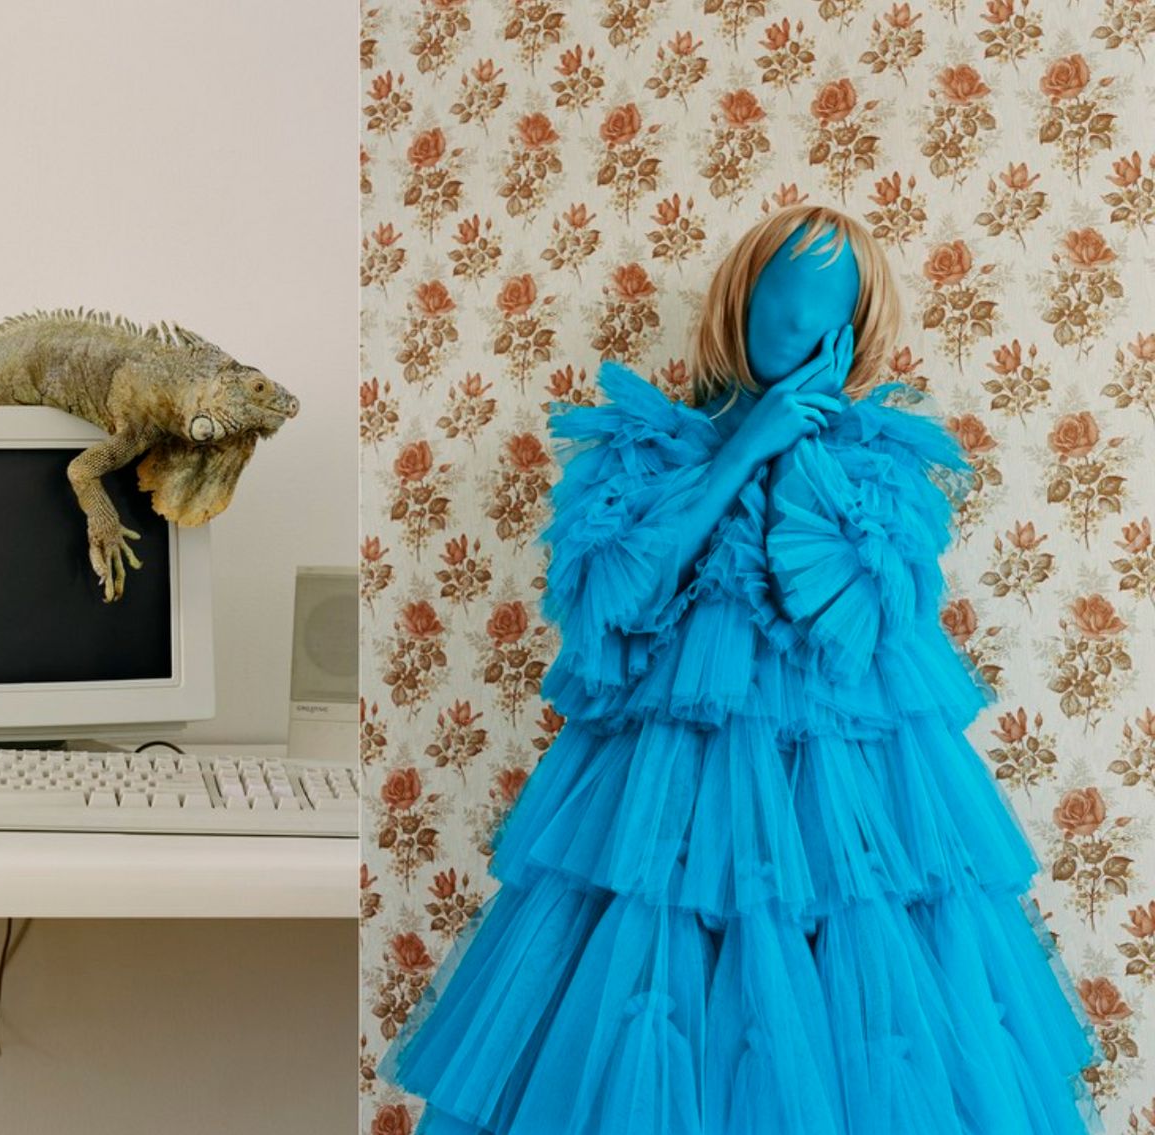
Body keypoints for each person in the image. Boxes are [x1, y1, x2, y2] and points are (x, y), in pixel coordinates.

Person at [378, 205, 1101, 1134]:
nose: (802, 333)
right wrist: (745, 448)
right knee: (648, 1015)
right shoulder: (639, 454)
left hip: (844, 815)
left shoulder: (880, 475)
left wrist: (797, 444)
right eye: (785, 304)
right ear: (740, 296)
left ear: (852, 335)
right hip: (658, 814)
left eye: (826, 320)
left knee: (849, 1030)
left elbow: (835, 613)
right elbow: (616, 605)